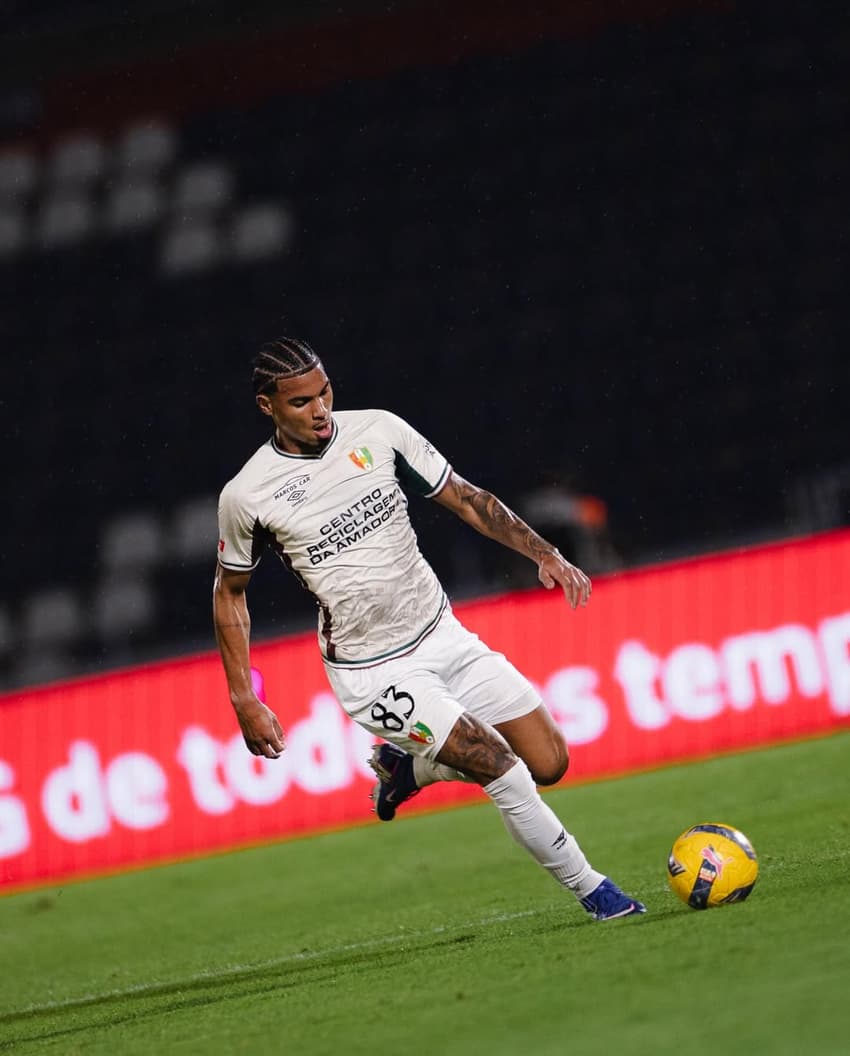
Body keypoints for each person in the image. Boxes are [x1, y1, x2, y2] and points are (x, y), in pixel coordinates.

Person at [213, 336, 645, 922]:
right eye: (301, 403)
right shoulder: (248, 494)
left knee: (549, 762)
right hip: (372, 670)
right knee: (500, 766)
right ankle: (597, 893)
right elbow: (229, 594)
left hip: (443, 633)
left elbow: (466, 499)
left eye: (325, 393)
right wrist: (245, 696)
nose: (320, 411)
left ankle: (407, 768)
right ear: (268, 407)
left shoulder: (379, 431)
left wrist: (544, 551)